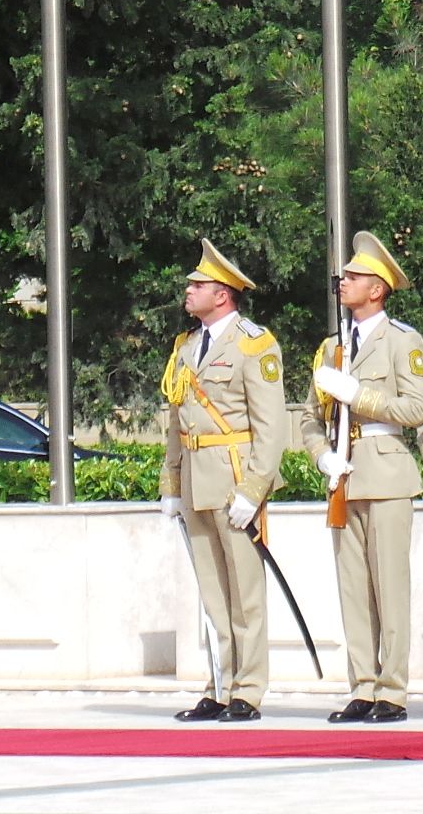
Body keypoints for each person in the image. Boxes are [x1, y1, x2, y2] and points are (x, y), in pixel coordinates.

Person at [159, 240, 288, 723]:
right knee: (213, 592)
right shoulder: (187, 347)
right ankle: (219, 683)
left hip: (234, 477)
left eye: (198, 285)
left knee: (245, 592)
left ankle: (248, 689)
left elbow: (271, 428)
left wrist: (254, 490)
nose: (189, 291)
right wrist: (170, 484)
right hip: (195, 477)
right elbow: (177, 421)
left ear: (224, 294)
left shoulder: (254, 343)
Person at [311, 230, 423, 724]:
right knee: (353, 589)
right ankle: (362, 684)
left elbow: (417, 408)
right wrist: (321, 454)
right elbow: (311, 418)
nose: (345, 282)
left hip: (385, 473)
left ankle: (392, 691)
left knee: (389, 587)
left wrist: (358, 396)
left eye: (355, 276)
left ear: (378, 288)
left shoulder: (403, 340)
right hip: (344, 475)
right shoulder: (332, 346)